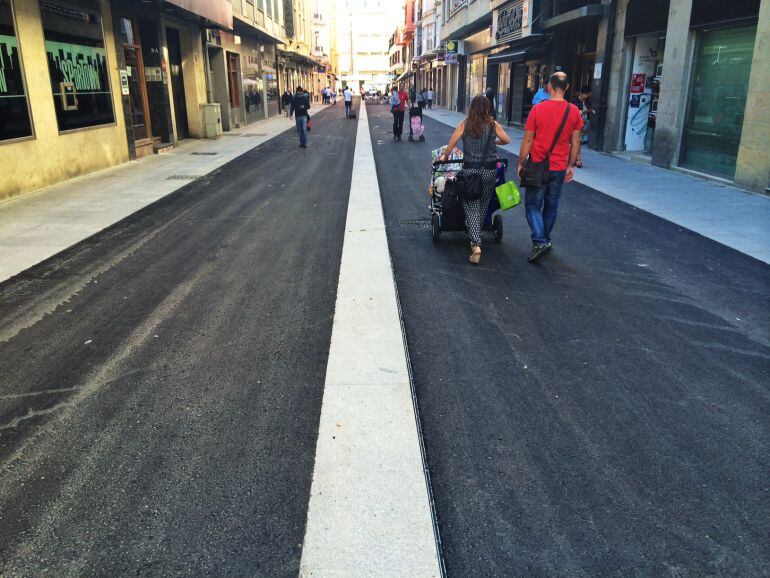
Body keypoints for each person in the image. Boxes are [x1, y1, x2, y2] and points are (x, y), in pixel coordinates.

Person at [517, 72, 582, 263]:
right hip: (559, 166)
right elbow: (576, 140)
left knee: (532, 206)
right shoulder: (574, 111)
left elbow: (528, 139)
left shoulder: (538, 110)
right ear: (567, 87)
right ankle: (545, 240)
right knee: (551, 206)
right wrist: (571, 165)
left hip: (538, 164)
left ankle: (540, 241)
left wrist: (521, 162)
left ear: (549, 87)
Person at [441, 95, 511, 264]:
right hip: (490, 171)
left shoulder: (465, 124)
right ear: (487, 108)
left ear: (472, 108)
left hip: (471, 171)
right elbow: (506, 140)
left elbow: (452, 142)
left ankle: (476, 244)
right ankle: (475, 232)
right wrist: (493, 141)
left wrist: (446, 155)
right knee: (483, 205)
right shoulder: (493, 124)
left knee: (471, 205)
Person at [572, 85, 594, 167]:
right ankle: (577, 159)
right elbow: (576, 112)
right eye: (586, 94)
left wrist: (590, 111)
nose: (587, 96)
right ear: (582, 93)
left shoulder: (588, 101)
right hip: (577, 123)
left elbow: (590, 109)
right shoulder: (575, 101)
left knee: (579, 141)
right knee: (577, 140)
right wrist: (585, 111)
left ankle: (576, 158)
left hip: (585, 123)